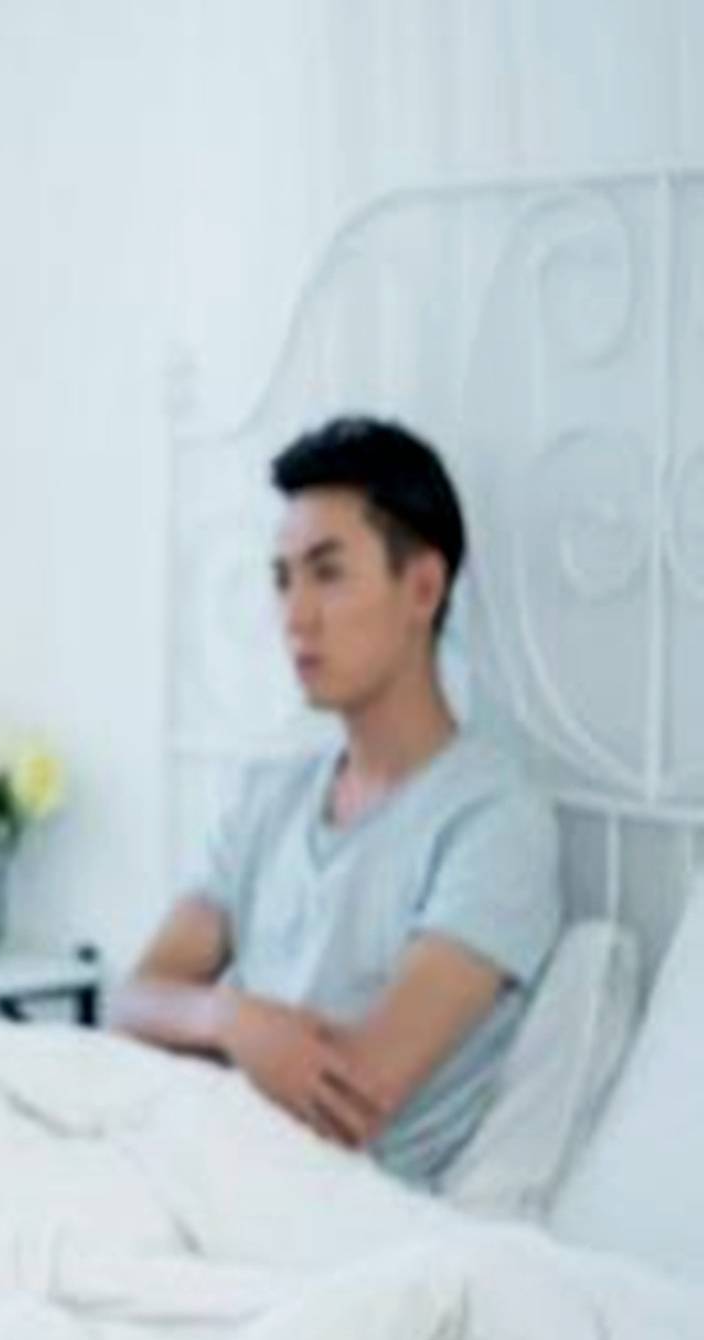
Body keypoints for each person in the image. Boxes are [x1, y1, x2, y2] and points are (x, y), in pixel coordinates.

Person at [109, 416, 563, 1188]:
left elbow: (354, 1093)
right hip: (198, 1155)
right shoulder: (271, 796)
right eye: (283, 578)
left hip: (333, 1202)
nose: (295, 616)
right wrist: (233, 1019)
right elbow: (130, 1001)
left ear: (424, 587)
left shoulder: (492, 819)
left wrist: (204, 1023)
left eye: (327, 573)